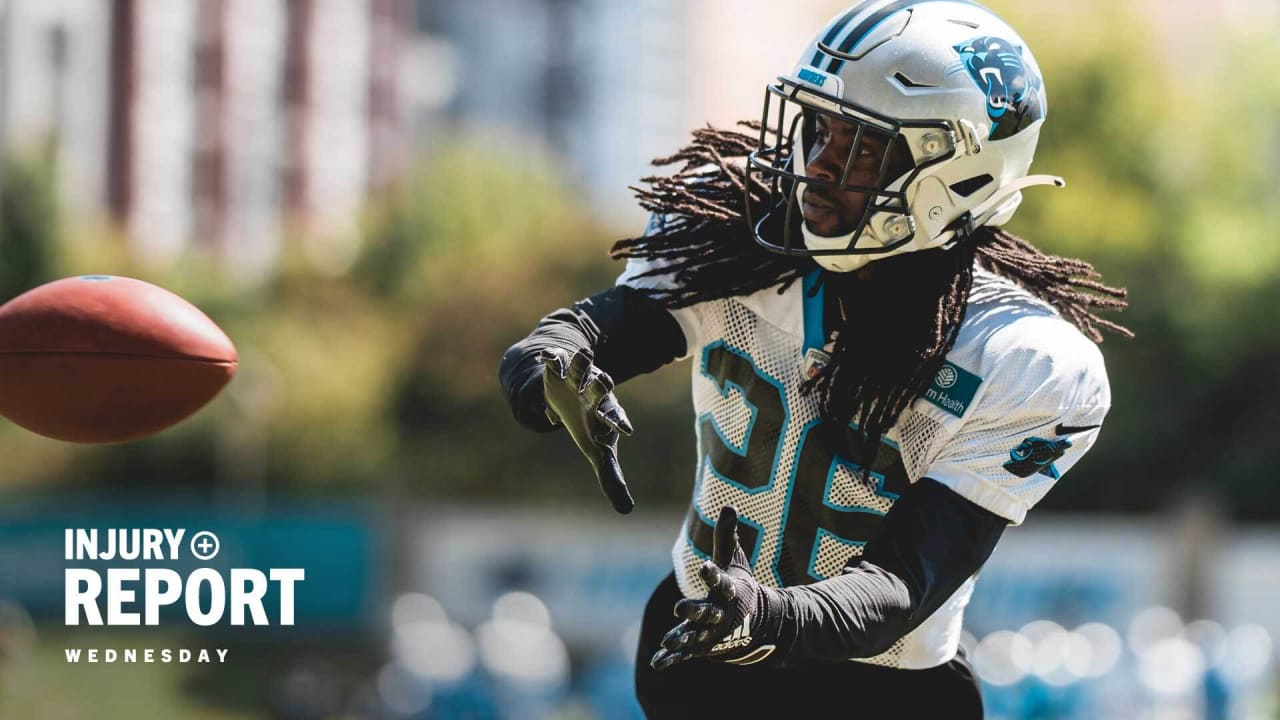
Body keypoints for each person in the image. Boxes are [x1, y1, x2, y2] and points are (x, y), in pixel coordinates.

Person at [499, 1, 1131, 716]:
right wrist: (552, 358)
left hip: (880, 688)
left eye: (860, 146)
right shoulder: (740, 242)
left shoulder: (1025, 359)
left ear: (959, 174)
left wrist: (772, 619)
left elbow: (904, 580)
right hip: (700, 652)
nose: (819, 165)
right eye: (819, 128)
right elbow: (606, 330)